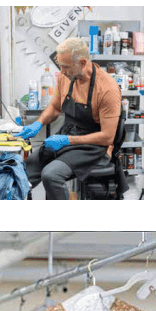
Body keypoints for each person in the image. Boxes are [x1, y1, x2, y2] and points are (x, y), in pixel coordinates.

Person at [17, 39, 121, 200]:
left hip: (94, 147)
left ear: (82, 62)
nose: (61, 70)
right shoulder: (65, 76)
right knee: (26, 168)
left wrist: (67, 140)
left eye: (65, 66)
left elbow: (107, 136)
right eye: (60, 65)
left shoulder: (107, 88)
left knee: (51, 175)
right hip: (68, 134)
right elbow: (55, 107)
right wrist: (38, 123)